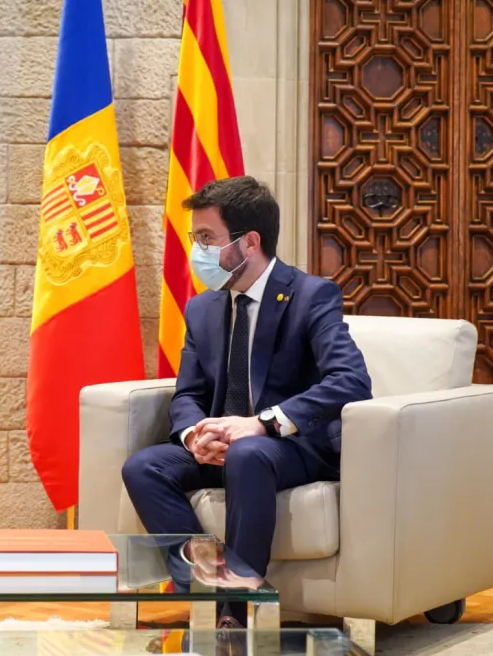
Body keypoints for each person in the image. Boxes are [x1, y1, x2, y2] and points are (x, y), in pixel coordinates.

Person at [121, 176, 372, 631]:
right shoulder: (203, 309)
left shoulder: (311, 295)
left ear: (249, 242)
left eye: (206, 238)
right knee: (143, 467)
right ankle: (206, 590)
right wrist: (195, 434)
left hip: (290, 447)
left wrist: (262, 423)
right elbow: (189, 393)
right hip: (226, 447)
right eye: (195, 237)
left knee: (249, 453)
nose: (197, 250)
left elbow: (351, 381)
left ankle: (232, 614)